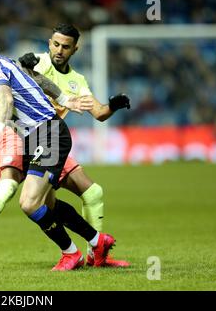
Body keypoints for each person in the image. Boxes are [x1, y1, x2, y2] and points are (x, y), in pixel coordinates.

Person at [0, 20, 117, 272]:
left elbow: (4, 96)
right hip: (36, 137)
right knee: (47, 206)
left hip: (48, 133)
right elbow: (31, 76)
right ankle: (97, 240)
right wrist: (63, 99)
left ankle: (71, 254)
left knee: (29, 202)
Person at [18, 23, 131, 267]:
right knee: (42, 203)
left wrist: (113, 105)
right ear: (49, 43)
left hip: (51, 142)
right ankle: (89, 245)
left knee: (90, 192)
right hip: (28, 141)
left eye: (66, 47)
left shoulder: (76, 81)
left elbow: (99, 113)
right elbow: (16, 72)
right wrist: (22, 63)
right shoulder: (36, 62)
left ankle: (94, 254)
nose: (59, 50)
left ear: (75, 49)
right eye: (56, 44)